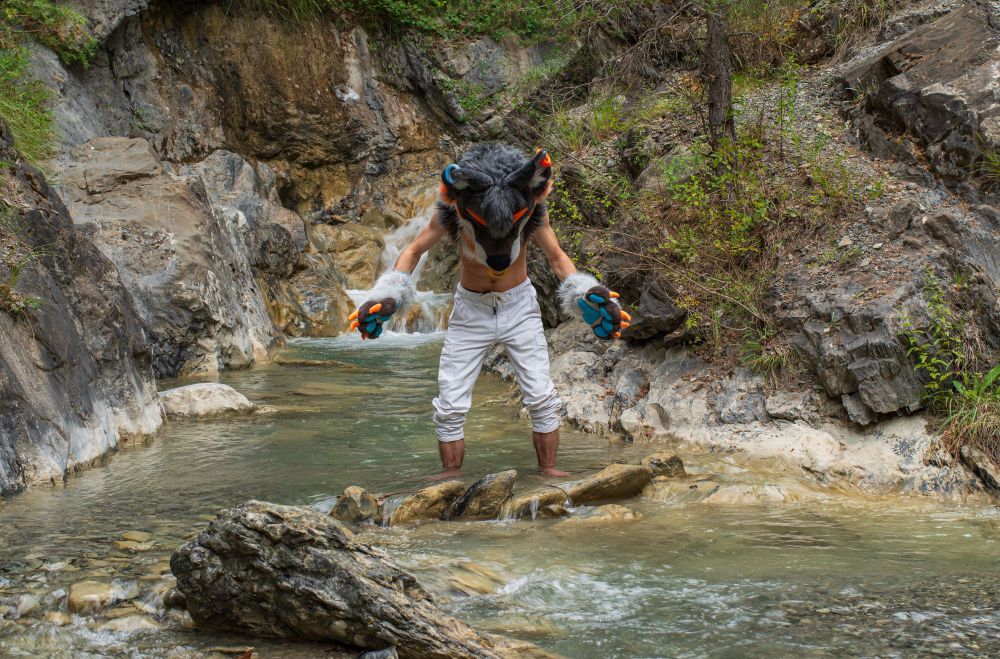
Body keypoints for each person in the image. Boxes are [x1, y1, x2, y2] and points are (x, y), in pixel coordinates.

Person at [348, 143, 630, 478]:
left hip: (519, 306)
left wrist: (584, 290)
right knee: (451, 403)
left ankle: (548, 471)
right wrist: (389, 293)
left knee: (541, 395)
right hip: (471, 309)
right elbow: (412, 251)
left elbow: (557, 259)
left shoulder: (528, 211)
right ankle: (451, 476)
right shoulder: (452, 213)